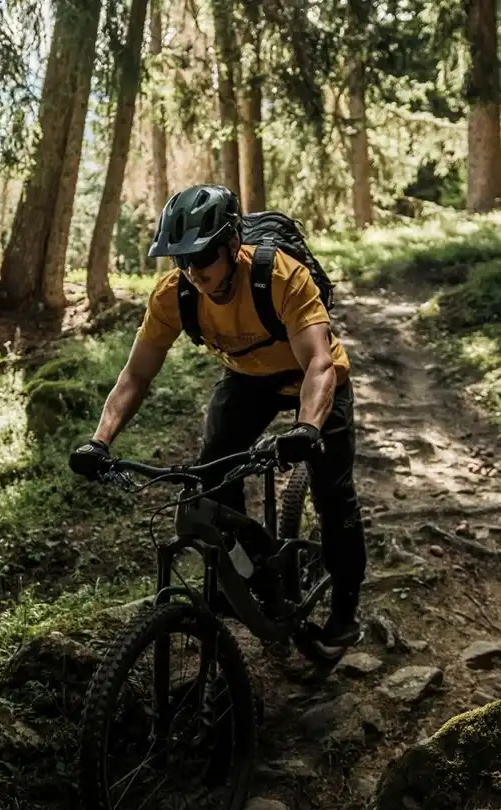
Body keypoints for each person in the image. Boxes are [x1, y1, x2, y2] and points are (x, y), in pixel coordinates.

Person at [68, 184, 367, 648]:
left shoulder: (279, 277)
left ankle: (345, 607)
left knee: (333, 493)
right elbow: (136, 375)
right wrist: (100, 441)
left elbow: (318, 363)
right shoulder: (175, 295)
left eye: (204, 257)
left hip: (312, 377)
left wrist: (307, 428)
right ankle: (253, 578)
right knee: (213, 477)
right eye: (182, 260)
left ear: (232, 245)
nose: (194, 272)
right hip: (247, 381)